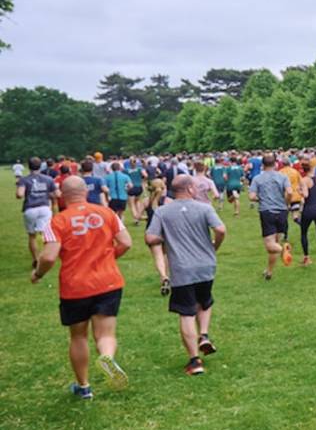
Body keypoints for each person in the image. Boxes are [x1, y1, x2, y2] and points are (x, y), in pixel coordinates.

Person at [32, 176, 132, 398]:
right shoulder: (107, 213)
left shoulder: (58, 221)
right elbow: (126, 242)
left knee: (78, 336)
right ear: (85, 192)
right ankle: (107, 357)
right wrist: (109, 258)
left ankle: (83, 387)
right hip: (108, 281)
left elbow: (48, 256)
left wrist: (38, 273)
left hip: (75, 286)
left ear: (62, 195)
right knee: (105, 333)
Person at [145, 175, 227, 376]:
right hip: (206, 265)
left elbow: (150, 237)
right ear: (190, 188)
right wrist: (215, 246)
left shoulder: (163, 211)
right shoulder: (204, 208)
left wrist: (166, 237)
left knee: (187, 313)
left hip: (182, 268)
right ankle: (204, 335)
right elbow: (220, 229)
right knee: (205, 301)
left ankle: (194, 361)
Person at [249, 154, 293, 280]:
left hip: (267, 212)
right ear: (275, 164)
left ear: (262, 165)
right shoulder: (283, 177)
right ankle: (269, 271)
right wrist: (286, 202)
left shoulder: (258, 178)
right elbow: (290, 192)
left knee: (270, 245)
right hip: (282, 211)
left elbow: (251, 196)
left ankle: (283, 250)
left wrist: (260, 199)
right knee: (275, 243)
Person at [17, 157, 58, 266]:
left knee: (32, 236)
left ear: (28, 166)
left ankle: (36, 259)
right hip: (44, 208)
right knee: (47, 235)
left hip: (30, 209)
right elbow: (56, 194)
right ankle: (47, 256)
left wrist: (20, 193)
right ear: (40, 166)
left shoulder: (24, 180)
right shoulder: (48, 179)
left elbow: (20, 194)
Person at [125, 158, 147, 225]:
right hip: (139, 187)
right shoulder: (139, 169)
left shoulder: (127, 170)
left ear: (130, 163)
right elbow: (145, 175)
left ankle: (136, 219)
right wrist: (142, 180)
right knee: (137, 201)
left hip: (131, 188)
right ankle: (139, 215)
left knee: (132, 204)